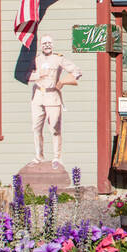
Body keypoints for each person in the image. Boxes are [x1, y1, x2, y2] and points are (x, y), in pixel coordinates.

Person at [28, 34, 82, 166]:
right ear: (41, 45)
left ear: (53, 45)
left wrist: (63, 81)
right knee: (36, 128)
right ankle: (39, 156)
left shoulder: (58, 59)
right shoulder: (36, 60)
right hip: (38, 96)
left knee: (54, 128)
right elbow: (26, 76)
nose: (47, 45)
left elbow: (77, 71)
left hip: (52, 96)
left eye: (49, 43)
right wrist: (38, 75)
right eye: (44, 43)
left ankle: (56, 157)